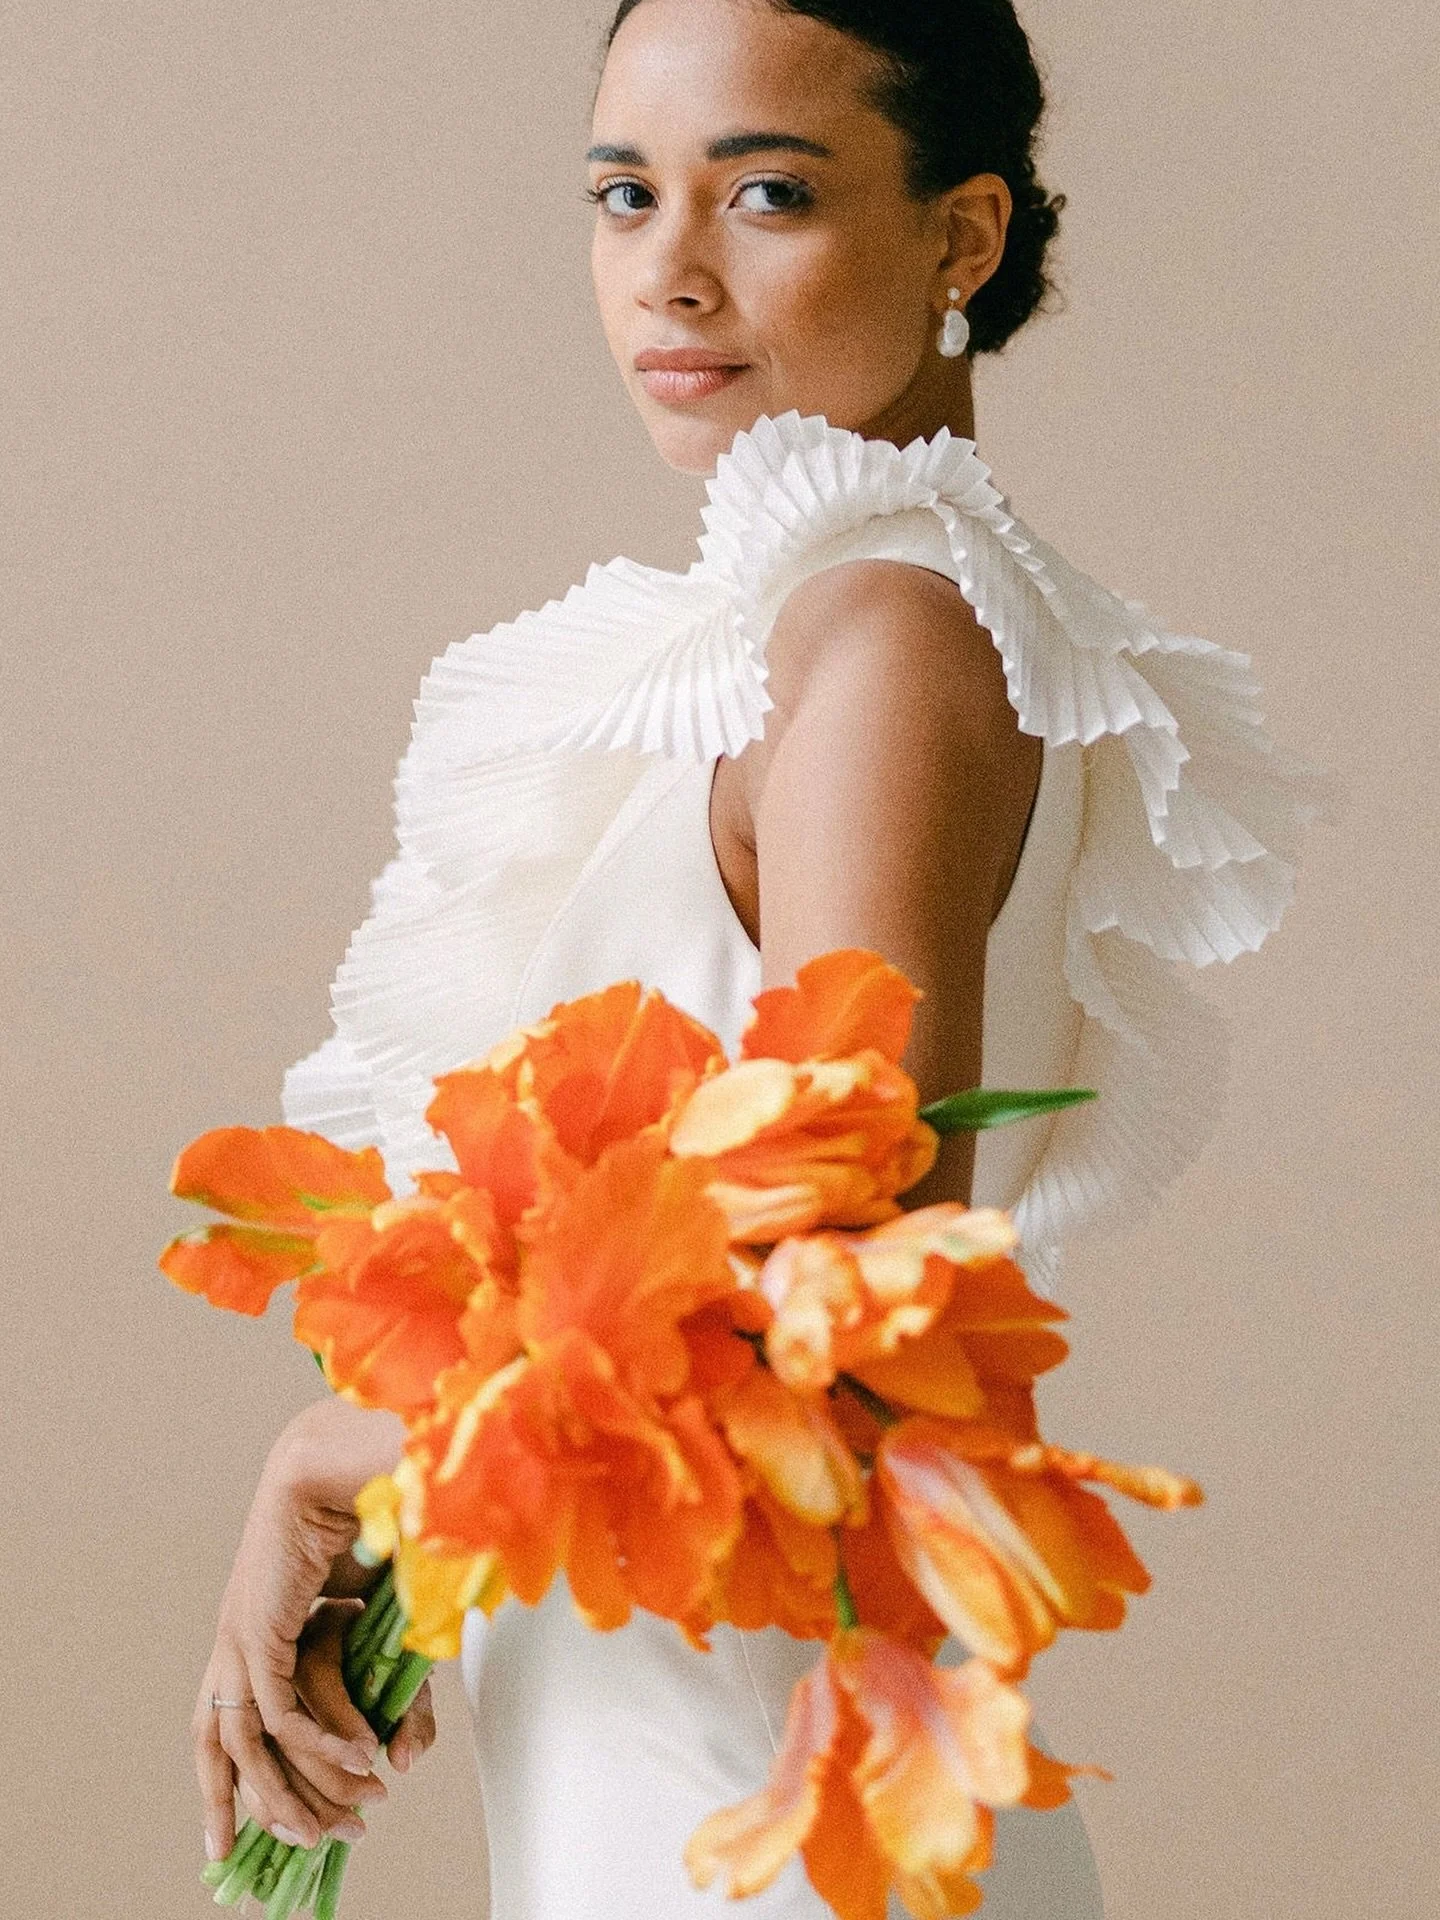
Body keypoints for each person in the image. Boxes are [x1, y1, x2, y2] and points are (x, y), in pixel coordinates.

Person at [192, 1, 1313, 1913]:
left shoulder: (888, 641)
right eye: (624, 195)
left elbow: (843, 1311)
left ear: (963, 239)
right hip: (709, 1744)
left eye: (767, 193)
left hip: (771, 1794)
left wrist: (349, 1437)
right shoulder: (838, 629)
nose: (671, 275)